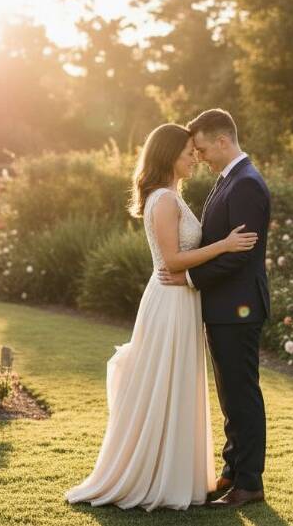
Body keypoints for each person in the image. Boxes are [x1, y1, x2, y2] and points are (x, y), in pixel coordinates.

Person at [65, 122, 258, 512]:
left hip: (180, 298)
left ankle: (176, 474)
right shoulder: (165, 200)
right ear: (169, 155)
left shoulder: (170, 195)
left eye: (196, 150)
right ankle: (156, 475)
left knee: (175, 383)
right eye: (189, 151)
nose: (194, 157)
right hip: (170, 300)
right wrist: (224, 244)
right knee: (165, 383)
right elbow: (170, 260)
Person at [158, 108, 271, 509]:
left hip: (238, 306)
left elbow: (241, 254)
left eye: (203, 148)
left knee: (242, 393)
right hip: (223, 306)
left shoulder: (246, 185)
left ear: (223, 141)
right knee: (230, 393)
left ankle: (250, 483)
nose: (199, 156)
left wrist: (189, 279)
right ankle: (232, 470)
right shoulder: (229, 180)